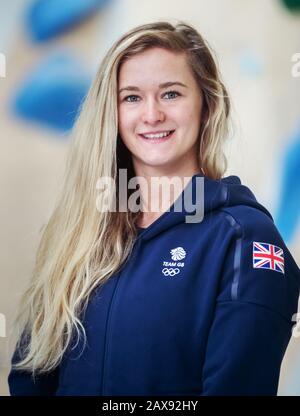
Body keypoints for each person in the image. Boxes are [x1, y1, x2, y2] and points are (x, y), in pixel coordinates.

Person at [8, 20, 300, 396]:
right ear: (111, 113)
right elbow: (30, 377)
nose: (151, 114)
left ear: (207, 106)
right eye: (131, 97)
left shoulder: (244, 242)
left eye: (171, 94)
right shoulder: (80, 233)